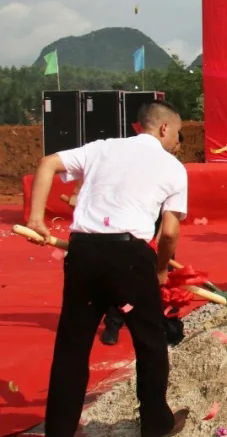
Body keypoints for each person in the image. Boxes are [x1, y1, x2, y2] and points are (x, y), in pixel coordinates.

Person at [24, 101, 190, 437]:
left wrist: (36, 219)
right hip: (131, 256)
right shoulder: (172, 167)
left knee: (72, 346)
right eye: (178, 132)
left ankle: (59, 430)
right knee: (150, 342)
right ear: (164, 128)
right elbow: (169, 233)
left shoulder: (102, 148)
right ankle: (156, 424)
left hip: (83, 252)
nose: (177, 140)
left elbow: (47, 163)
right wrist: (160, 271)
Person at [64, 192, 184, 348]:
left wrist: (159, 243)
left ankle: (166, 323)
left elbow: (169, 222)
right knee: (122, 273)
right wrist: (78, 193)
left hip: (158, 215)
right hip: (128, 217)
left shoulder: (169, 178)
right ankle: (113, 322)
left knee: (163, 278)